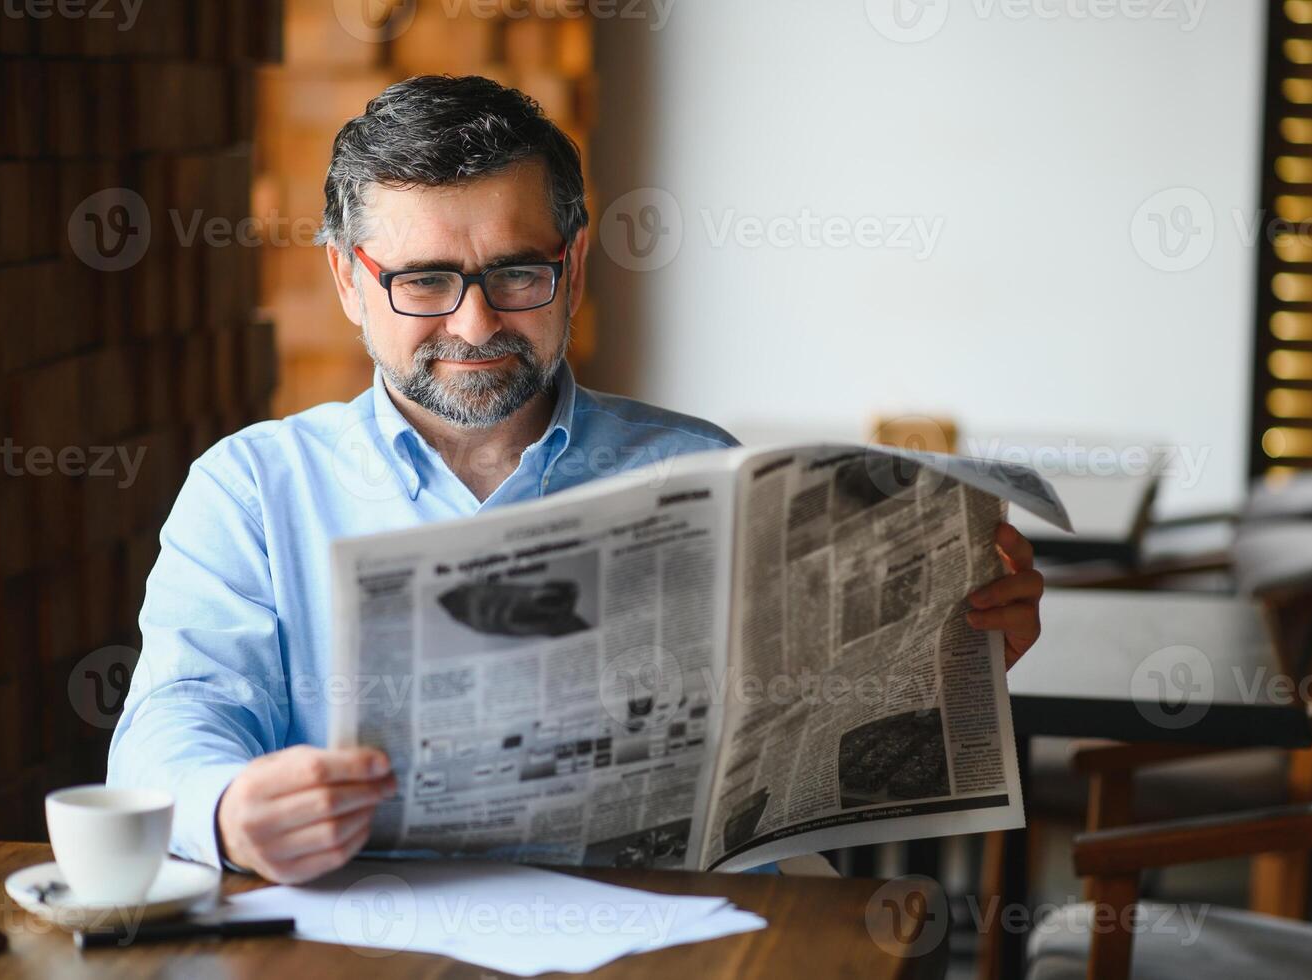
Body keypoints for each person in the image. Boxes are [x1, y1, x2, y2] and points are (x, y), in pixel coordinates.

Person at [107, 75, 1044, 884]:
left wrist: (954, 653)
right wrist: (228, 809)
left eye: (517, 274)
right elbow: (173, 719)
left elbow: (823, 728)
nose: (474, 326)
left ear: (576, 263)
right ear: (348, 282)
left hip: (678, 936)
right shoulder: (252, 489)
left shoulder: (701, 470)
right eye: (425, 281)